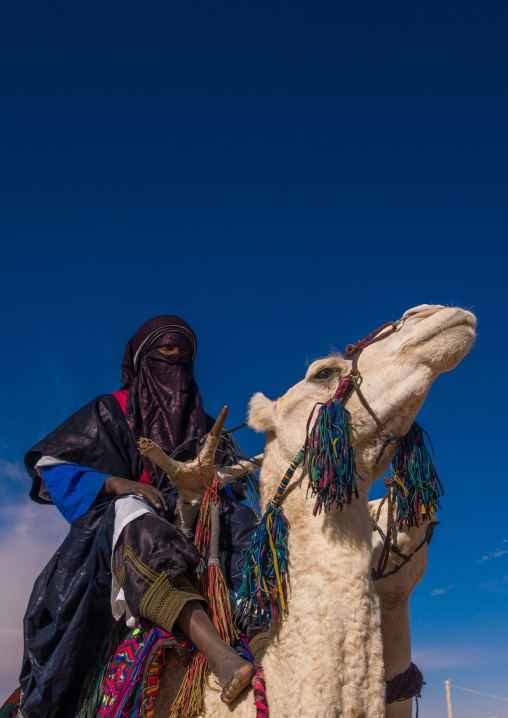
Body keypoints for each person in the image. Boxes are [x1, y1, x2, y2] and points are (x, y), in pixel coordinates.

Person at [20, 315, 256, 718]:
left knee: (248, 521)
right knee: (132, 513)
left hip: (203, 524)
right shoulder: (111, 409)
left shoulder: (207, 425)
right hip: (120, 530)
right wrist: (115, 484)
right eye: (168, 351)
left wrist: (212, 488)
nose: (177, 360)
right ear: (145, 359)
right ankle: (216, 650)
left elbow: (232, 483)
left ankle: (259, 624)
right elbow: (54, 465)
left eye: (185, 354)